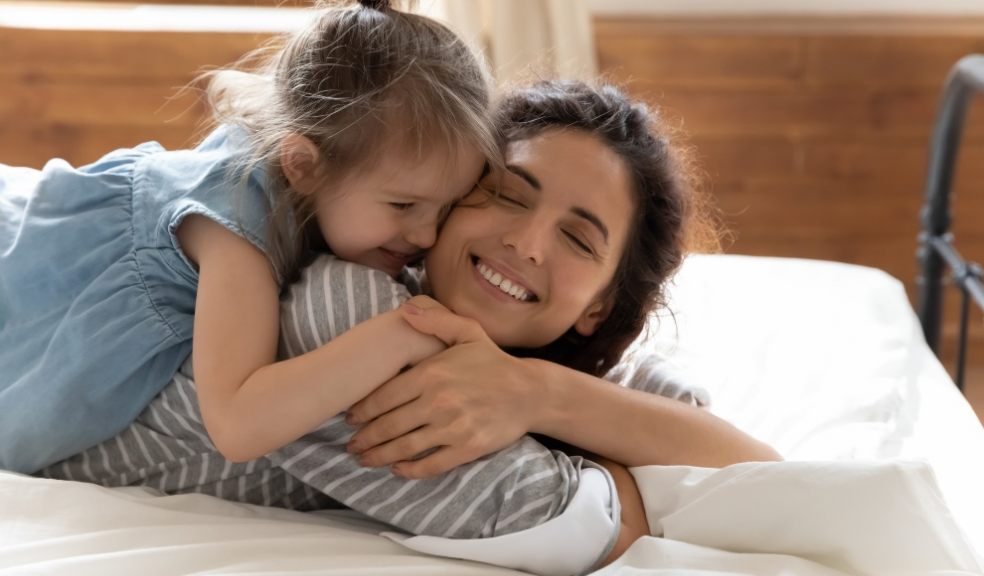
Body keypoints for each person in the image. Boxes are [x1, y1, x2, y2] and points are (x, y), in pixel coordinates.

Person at [40, 80, 779, 573]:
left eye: (579, 240)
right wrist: (576, 422)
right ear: (454, 197)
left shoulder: (539, 358)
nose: (527, 244)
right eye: (507, 195)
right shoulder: (352, 314)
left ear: (598, 307)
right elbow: (566, 520)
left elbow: (757, 474)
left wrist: (538, 393)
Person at [0, 0, 496, 474]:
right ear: (302, 166)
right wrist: (403, 334)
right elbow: (236, 425)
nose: (428, 235)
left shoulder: (323, 188)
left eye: (447, 206)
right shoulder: (234, 225)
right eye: (403, 205)